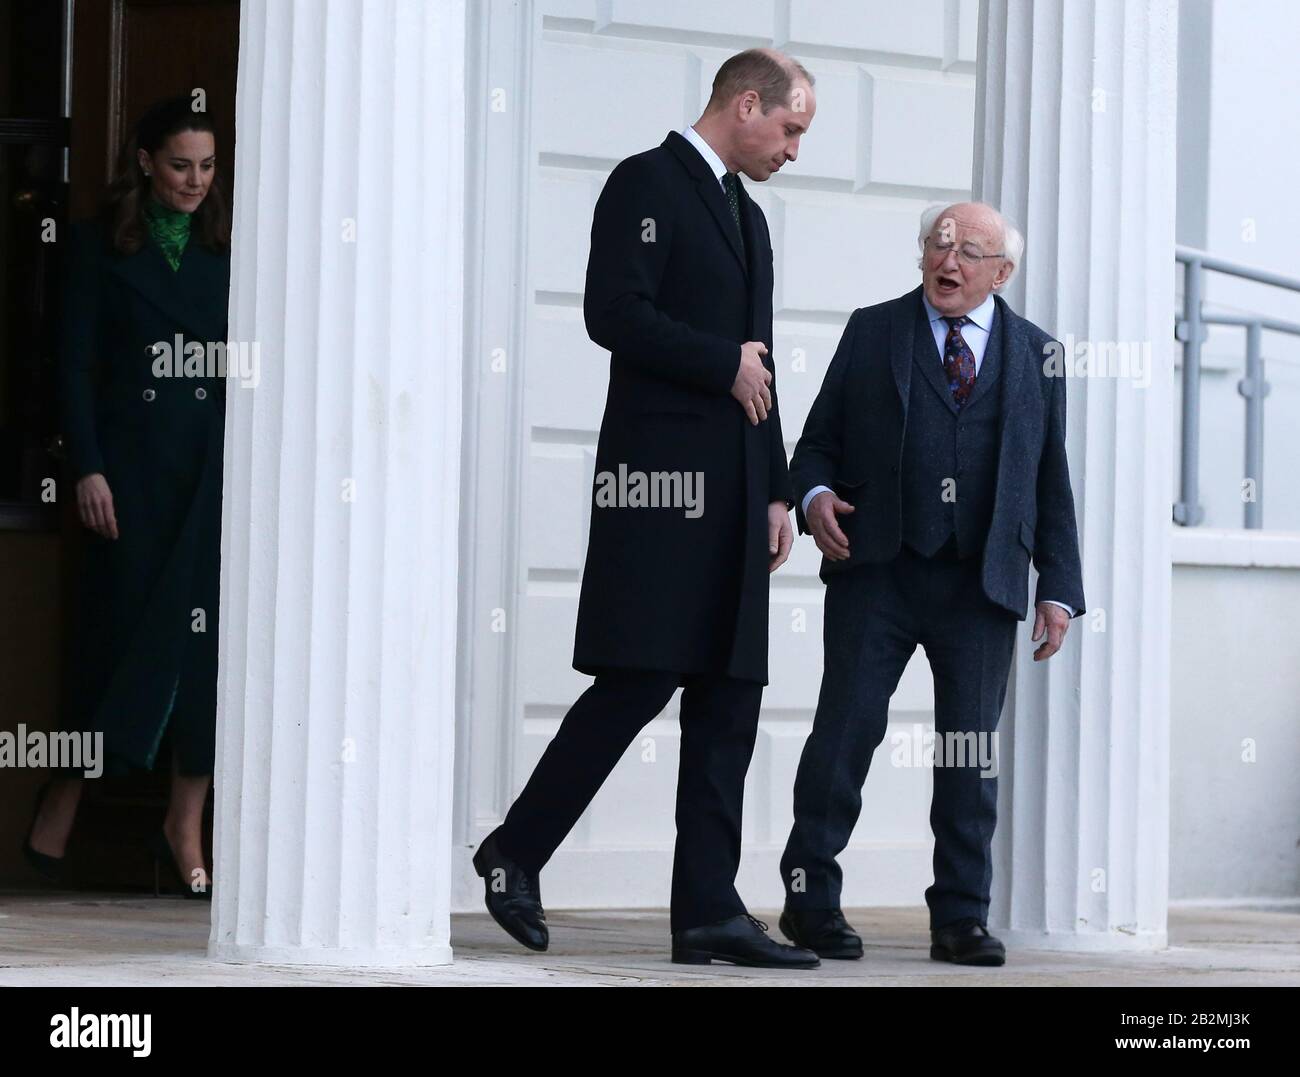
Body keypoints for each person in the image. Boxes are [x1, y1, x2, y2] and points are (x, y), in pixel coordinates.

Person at [471, 49, 819, 968]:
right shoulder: (644, 183)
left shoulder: (750, 216)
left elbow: (763, 360)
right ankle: (514, 851)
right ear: (746, 105)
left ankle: (708, 910)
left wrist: (779, 486)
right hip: (660, 490)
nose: (793, 150)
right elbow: (611, 312)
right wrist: (720, 364)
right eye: (789, 129)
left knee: (730, 697)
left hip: (742, 492)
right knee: (637, 678)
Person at [779, 202, 1086, 965]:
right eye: (937, 246)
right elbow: (816, 443)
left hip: (980, 582)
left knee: (966, 753)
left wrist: (1059, 587)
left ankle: (960, 916)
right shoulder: (872, 329)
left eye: (969, 252)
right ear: (923, 254)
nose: (948, 262)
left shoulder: (1038, 356)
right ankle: (810, 898)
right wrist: (814, 499)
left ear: (1002, 271)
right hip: (877, 569)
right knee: (844, 735)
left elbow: (1052, 482)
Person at [22, 95, 232, 899]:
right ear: (145, 161)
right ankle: (64, 794)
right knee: (114, 641)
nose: (194, 181)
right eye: (180, 164)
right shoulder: (95, 246)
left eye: (207, 167)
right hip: (129, 473)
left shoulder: (225, 248)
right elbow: (71, 366)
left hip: (206, 476)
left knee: (201, 651)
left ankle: (186, 822)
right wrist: (87, 466)